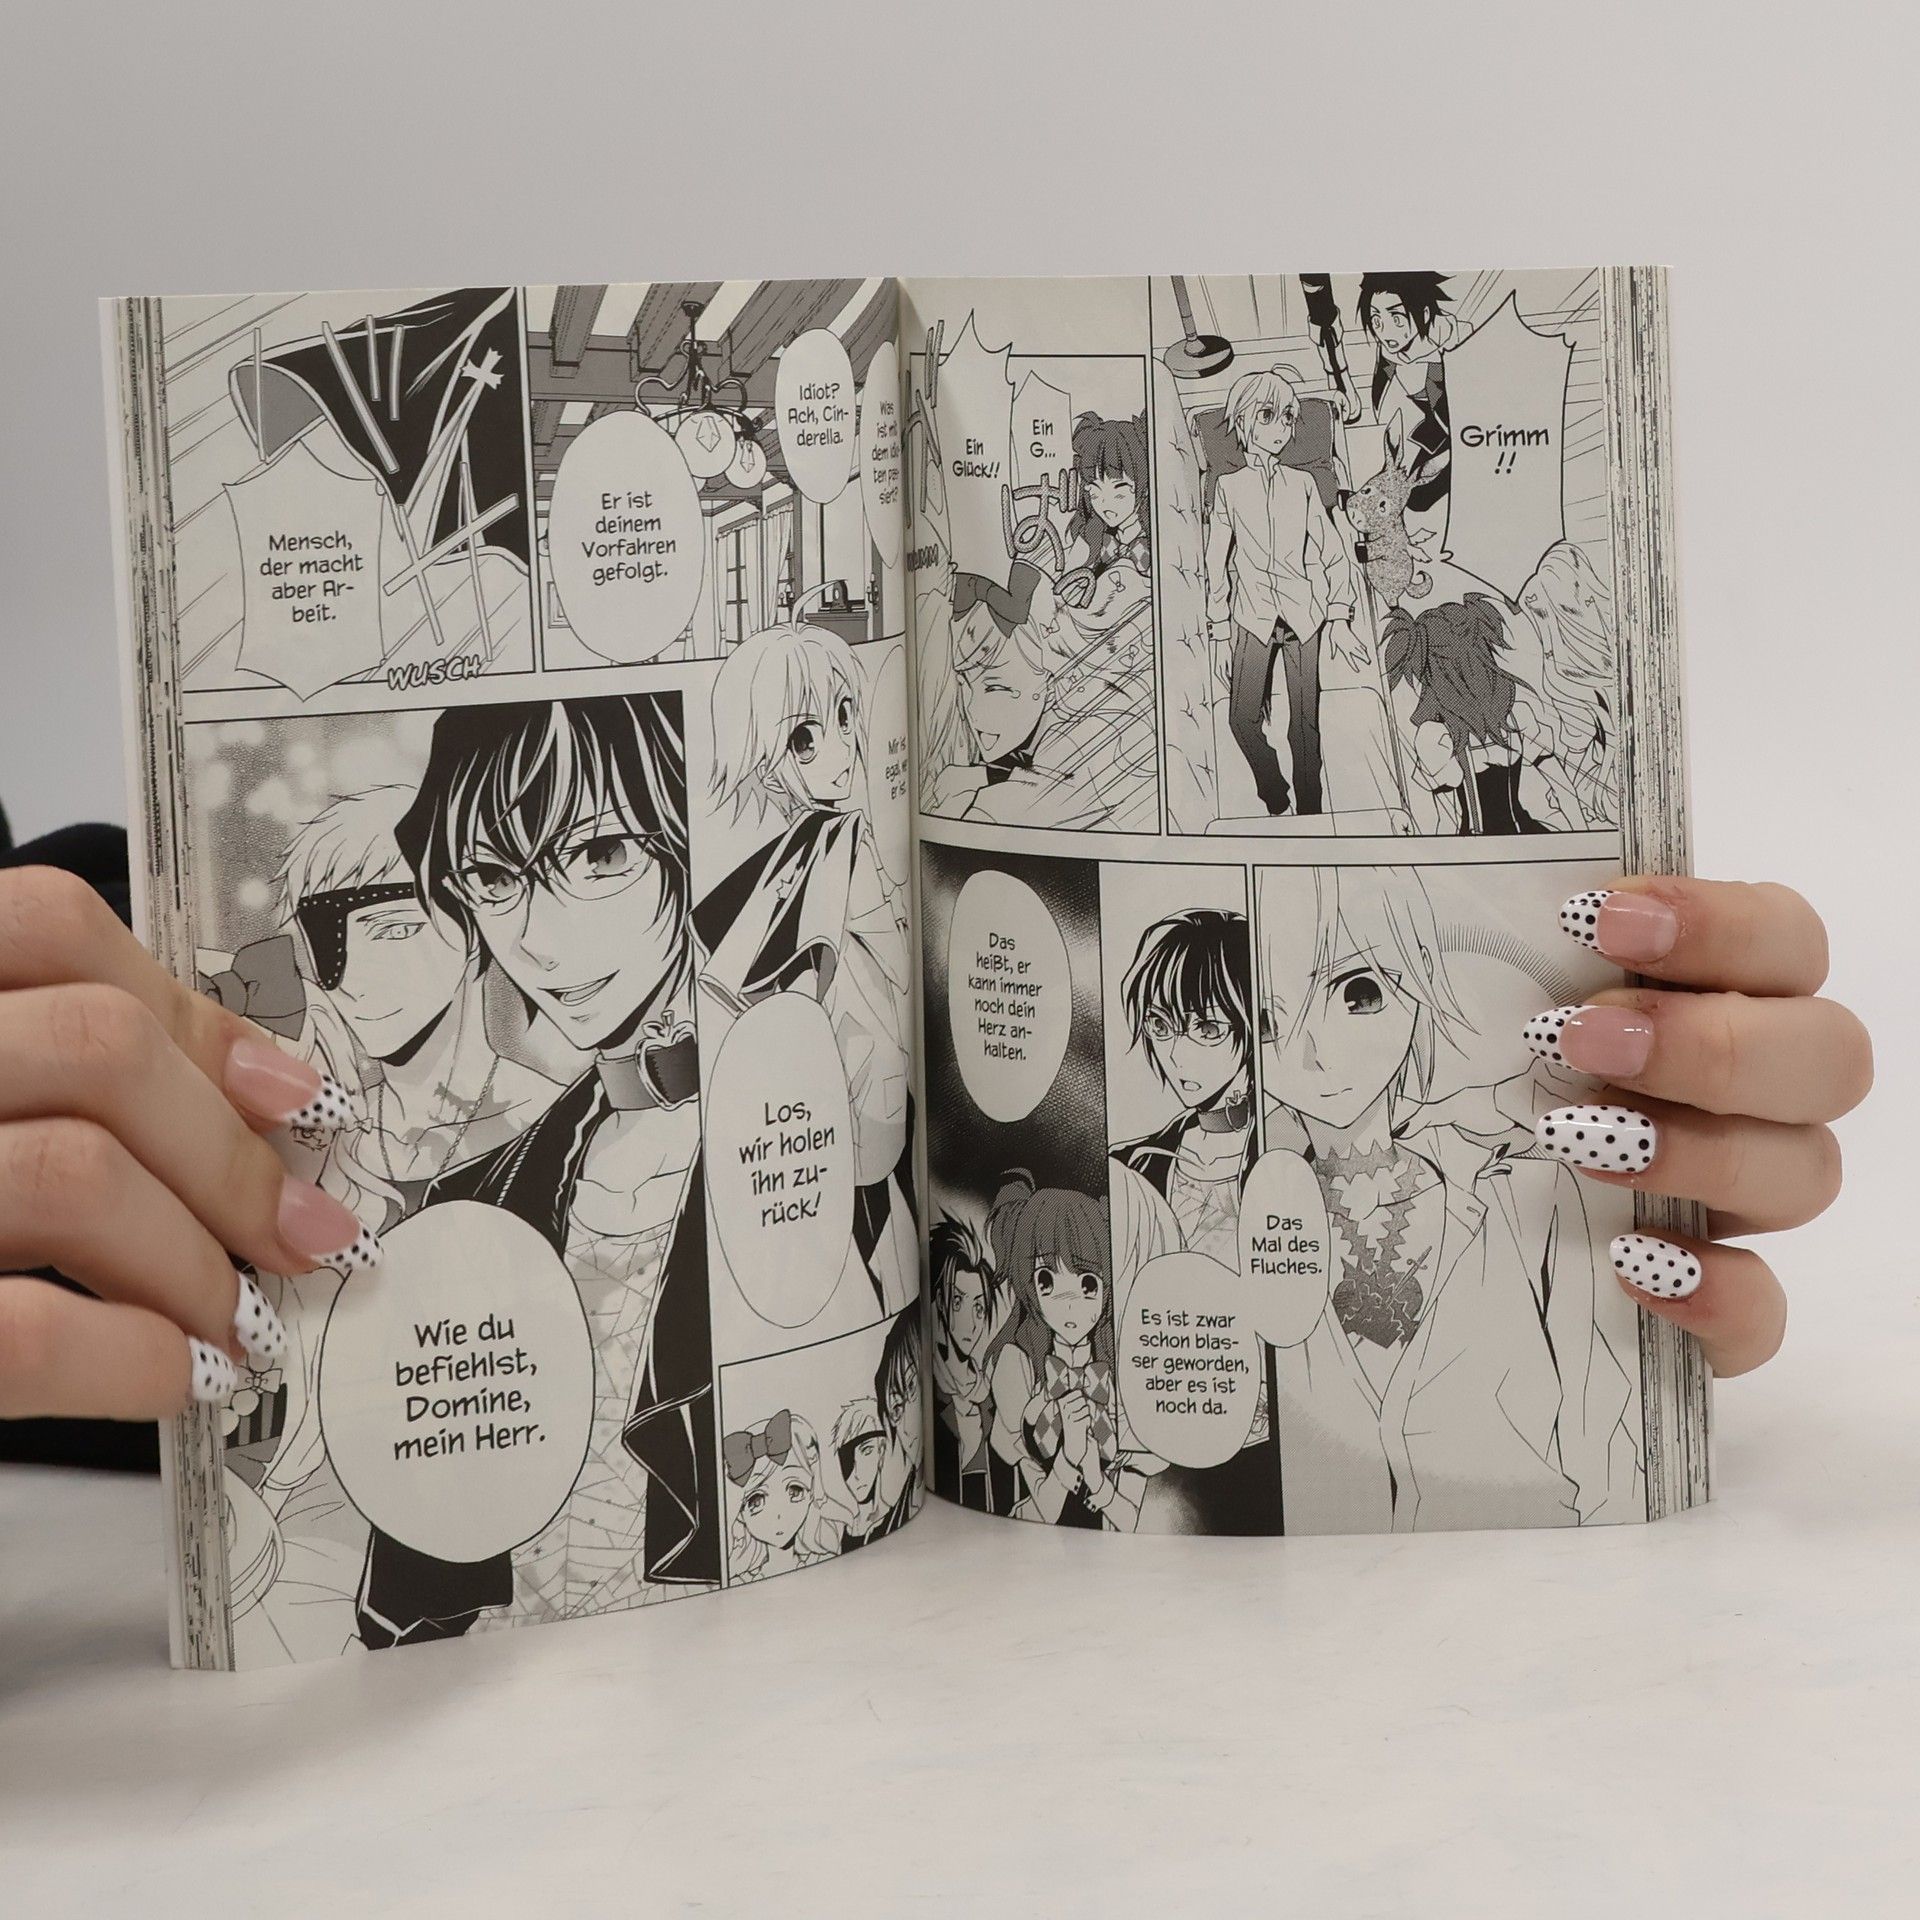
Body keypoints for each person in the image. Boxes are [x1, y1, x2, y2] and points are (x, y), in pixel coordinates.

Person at [349, 691, 713, 1645]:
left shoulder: (797, 1139)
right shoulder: (479, 1201)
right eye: (491, 877)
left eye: (601, 854)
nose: (542, 938)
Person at [695, 610, 916, 1314]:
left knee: (879, 1226)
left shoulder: (817, 841)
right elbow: (867, 958)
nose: (839, 750)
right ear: (766, 758)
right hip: (856, 1067)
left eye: (845, 717)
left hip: (858, 1062)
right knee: (877, 1231)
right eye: (805, 739)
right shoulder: (831, 840)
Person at [1205, 364, 1364, 816]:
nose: (1280, 429)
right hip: (1251, 616)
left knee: (1305, 726)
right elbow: (1215, 560)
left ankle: (1311, 812)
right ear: (1242, 420)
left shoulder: (1304, 484)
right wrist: (1220, 630)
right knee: (1241, 719)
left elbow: (1333, 552)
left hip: (1304, 617)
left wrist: (1339, 616)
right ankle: (1275, 797)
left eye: (1288, 418)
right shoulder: (1228, 488)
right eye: (1268, 416)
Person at [984, 1174, 1145, 1532]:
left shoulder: (1122, 1368)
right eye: (1047, 1281)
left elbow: (1133, 1521)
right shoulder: (1019, 1366)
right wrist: (1067, 1458)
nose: (1069, 1303)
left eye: (1088, 1284)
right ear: (1030, 1284)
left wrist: (1096, 1479)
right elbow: (1041, 1511)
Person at [1110, 908, 1256, 1263]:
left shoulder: (1293, 1151)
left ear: (1253, 1025)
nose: (1176, 1055)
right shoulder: (1134, 1164)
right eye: (1160, 1026)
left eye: (1207, 1029)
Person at [928, 1208, 1017, 1514]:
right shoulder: (933, 1392)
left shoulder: (990, 1397)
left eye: (979, 1308)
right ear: (940, 1303)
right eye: (958, 1302)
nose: (971, 1321)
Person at [722, 1409, 841, 1584]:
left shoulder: (828, 1563)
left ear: (812, 1490)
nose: (779, 1515)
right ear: (740, 1513)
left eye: (795, 1491)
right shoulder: (739, 1583)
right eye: (756, 1501)